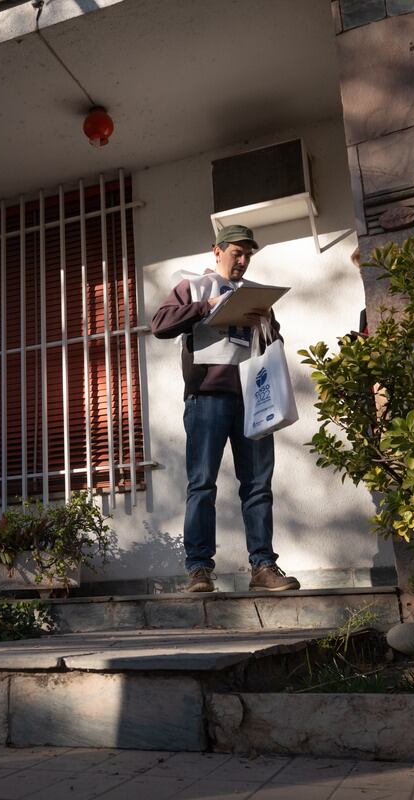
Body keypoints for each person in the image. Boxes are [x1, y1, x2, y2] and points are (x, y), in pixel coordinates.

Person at [151, 224, 301, 593]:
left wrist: (267, 323)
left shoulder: (255, 294)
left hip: (255, 398)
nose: (243, 260)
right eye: (237, 253)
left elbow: (273, 342)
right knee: (202, 483)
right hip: (207, 397)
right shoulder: (193, 287)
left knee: (258, 485)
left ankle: (263, 567)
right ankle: (199, 570)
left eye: (248, 254)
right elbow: (159, 325)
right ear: (216, 251)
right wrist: (208, 307)